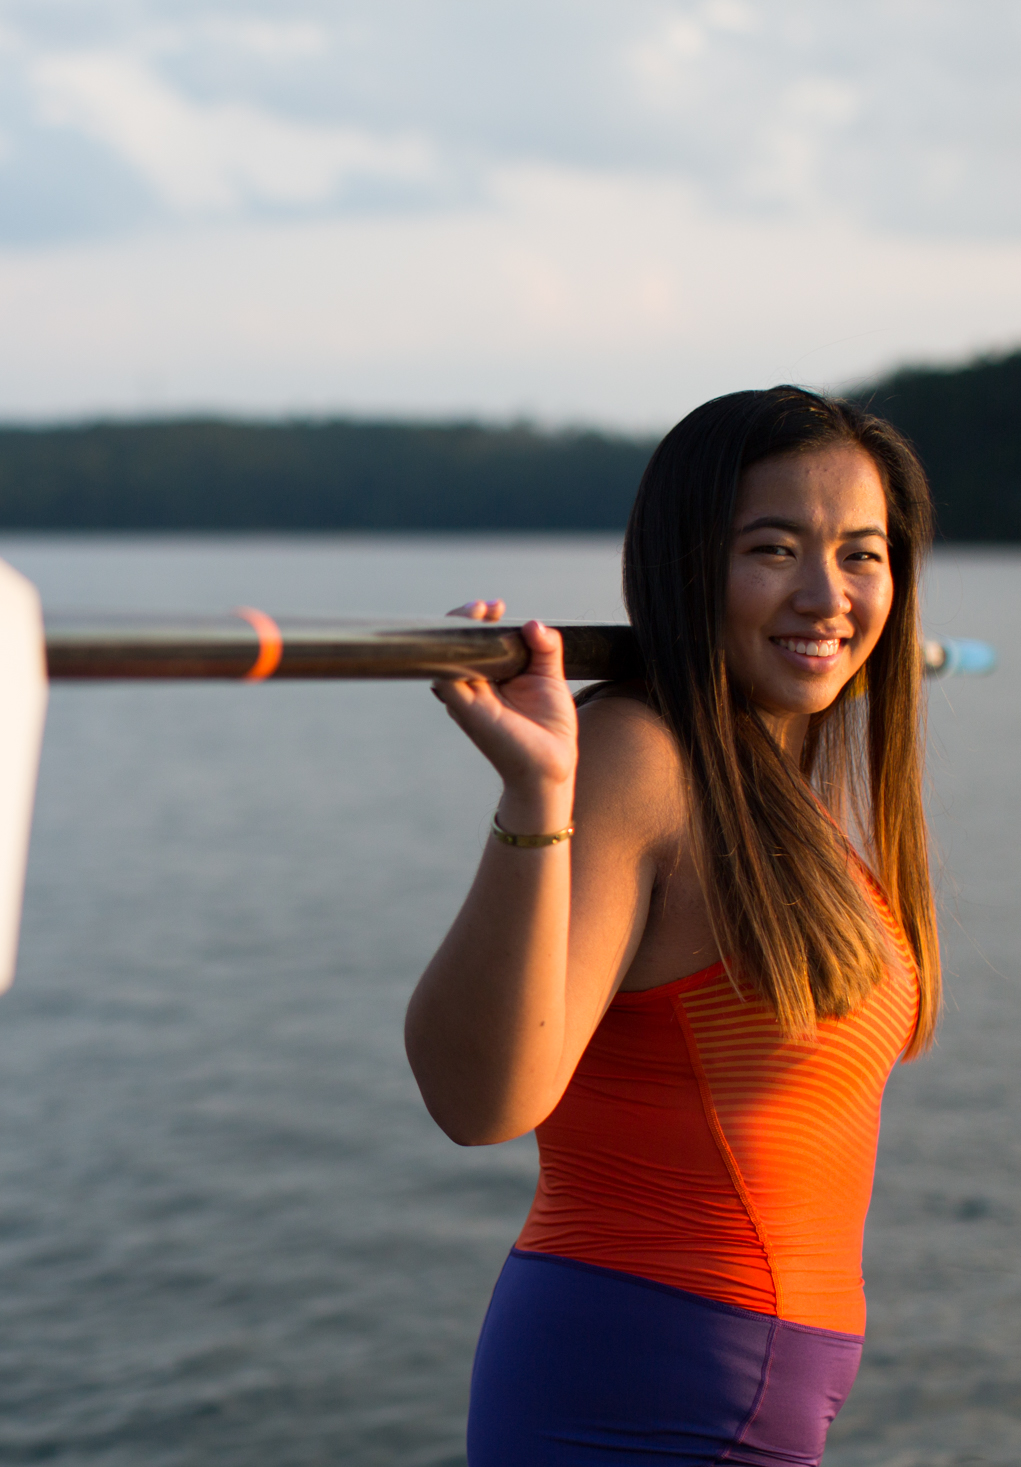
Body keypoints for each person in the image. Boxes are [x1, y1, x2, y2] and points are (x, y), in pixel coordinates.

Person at [406, 386, 942, 1466]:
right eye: (773, 548)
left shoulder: (775, 783)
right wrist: (537, 795)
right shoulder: (640, 758)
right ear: (688, 567)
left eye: (860, 554)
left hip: (742, 1383)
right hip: (647, 1388)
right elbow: (477, 1102)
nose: (824, 595)